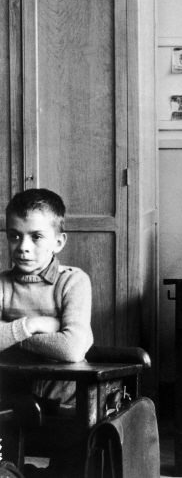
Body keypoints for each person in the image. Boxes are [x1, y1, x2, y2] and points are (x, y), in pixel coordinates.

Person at [0, 188, 93, 476]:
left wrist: (11, 337)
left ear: (59, 241)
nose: (23, 246)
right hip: (10, 400)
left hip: (66, 405)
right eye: (14, 235)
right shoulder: (2, 285)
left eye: (36, 236)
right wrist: (33, 325)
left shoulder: (73, 281)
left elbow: (72, 349)